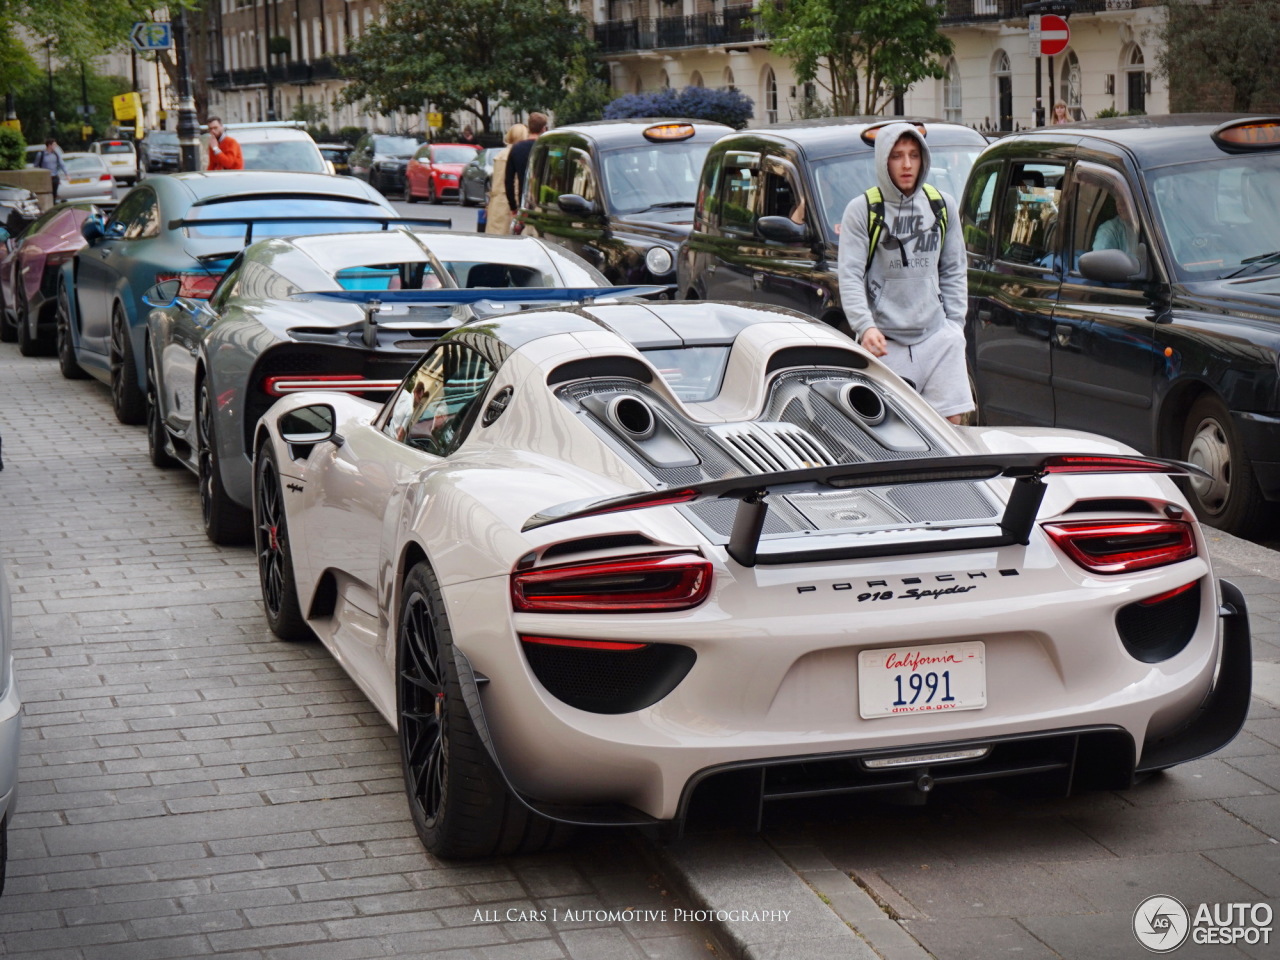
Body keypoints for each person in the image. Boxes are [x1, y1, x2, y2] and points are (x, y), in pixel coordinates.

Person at [836, 123, 973, 424]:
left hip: (938, 336)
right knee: (890, 431)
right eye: (897, 155)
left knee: (951, 427)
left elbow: (953, 269)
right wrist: (865, 326)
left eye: (914, 154)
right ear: (884, 160)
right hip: (886, 343)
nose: (907, 164)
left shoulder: (942, 206)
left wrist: (954, 326)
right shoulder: (863, 210)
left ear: (924, 158)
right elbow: (850, 275)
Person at [486, 122, 528, 235]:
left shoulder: (500, 155)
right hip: (510, 202)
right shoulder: (518, 155)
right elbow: (515, 183)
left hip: (496, 203)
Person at [504, 112, 547, 214]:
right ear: (543, 128)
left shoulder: (517, 148)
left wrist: (513, 207)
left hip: (525, 202)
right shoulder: (547, 148)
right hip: (545, 204)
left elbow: (508, 181)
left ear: (529, 128)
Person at [33, 139, 69, 203]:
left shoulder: (56, 154)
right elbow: (36, 165)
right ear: (49, 145)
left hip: (54, 177)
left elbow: (61, 164)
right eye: (54, 144)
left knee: (54, 194)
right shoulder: (41, 154)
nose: (56, 146)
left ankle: (53, 204)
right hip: (45, 178)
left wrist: (66, 174)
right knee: (47, 194)